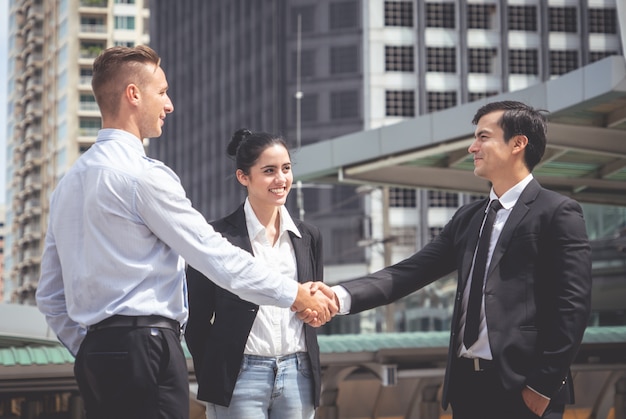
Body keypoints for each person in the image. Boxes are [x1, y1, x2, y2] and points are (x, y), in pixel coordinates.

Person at [35, 45, 336, 419]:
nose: (169, 104)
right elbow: (214, 256)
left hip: (97, 355)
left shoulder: (66, 186)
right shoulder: (143, 176)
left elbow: (49, 295)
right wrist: (295, 295)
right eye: (161, 92)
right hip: (148, 349)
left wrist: (92, 347)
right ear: (133, 94)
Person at [307, 101, 592, 419]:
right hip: (467, 387)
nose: (473, 147)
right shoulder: (469, 217)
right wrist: (339, 296)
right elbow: (410, 272)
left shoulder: (557, 212)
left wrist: (543, 386)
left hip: (524, 387)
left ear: (518, 143)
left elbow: (572, 308)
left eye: (483, 137)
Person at [185, 129, 323, 419]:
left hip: (298, 375)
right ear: (243, 177)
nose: (281, 179)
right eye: (269, 171)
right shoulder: (216, 238)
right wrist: (216, 368)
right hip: (239, 377)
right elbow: (195, 319)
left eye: (286, 169)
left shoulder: (308, 236)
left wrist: (313, 314)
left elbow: (313, 301)